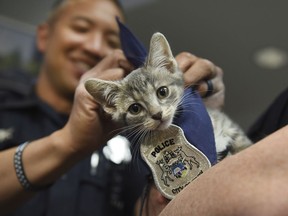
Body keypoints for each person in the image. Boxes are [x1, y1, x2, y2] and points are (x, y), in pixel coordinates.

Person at [0, 0, 224, 215]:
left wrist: (202, 119)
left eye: (111, 41)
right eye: (81, 28)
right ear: (44, 35)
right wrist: (70, 143)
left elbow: (151, 208)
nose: (95, 48)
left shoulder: (134, 134)